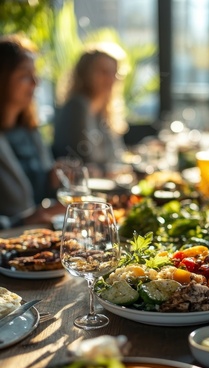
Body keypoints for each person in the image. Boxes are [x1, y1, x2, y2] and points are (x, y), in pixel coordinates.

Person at [0, 34, 63, 230]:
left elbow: (38, 195)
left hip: (36, 239)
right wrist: (22, 221)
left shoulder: (30, 132)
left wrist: (53, 179)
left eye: (35, 74)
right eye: (25, 75)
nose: (36, 83)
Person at [52, 48, 127, 177]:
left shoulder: (103, 110)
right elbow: (84, 163)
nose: (111, 78)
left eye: (114, 72)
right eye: (103, 72)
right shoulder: (77, 106)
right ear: (85, 74)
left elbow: (117, 155)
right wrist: (107, 171)